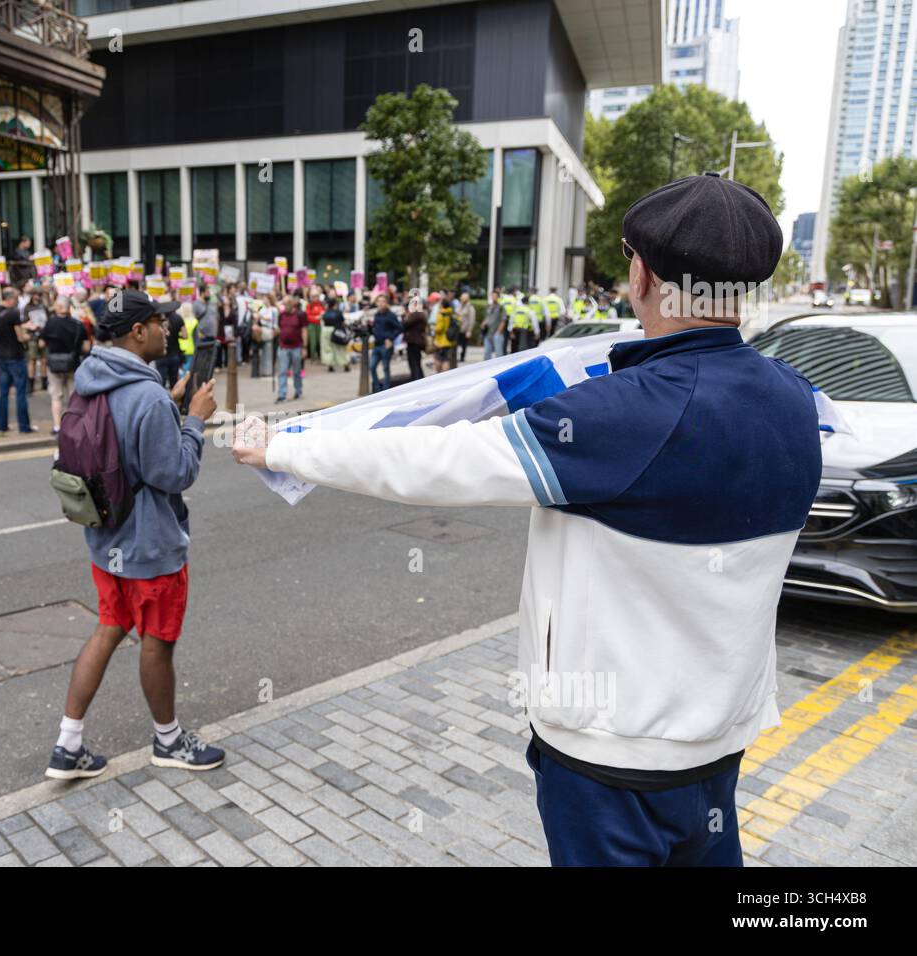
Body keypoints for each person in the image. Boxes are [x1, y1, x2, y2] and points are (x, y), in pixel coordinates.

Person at [234, 173, 818, 867]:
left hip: (610, 754)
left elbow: (437, 459)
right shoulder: (796, 400)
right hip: (722, 737)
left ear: (643, 276)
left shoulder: (626, 412)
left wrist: (285, 448)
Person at [46, 288, 224, 780]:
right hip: (150, 546)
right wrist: (194, 420)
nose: (169, 329)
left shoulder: (91, 382)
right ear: (138, 331)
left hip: (106, 541)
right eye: (161, 323)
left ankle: (68, 743)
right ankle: (168, 740)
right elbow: (175, 473)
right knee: (157, 642)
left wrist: (171, 407)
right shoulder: (147, 397)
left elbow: (123, 440)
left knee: (108, 629)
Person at [0, 286, 37, 434]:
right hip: (15, 357)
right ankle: (24, 426)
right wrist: (30, 334)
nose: (18, 302)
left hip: (2, 356)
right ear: (10, 299)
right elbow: (21, 337)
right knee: (21, 393)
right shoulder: (14, 313)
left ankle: (2, 425)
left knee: (3, 393)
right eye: (16, 299)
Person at [40, 295, 87, 435]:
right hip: (73, 364)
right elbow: (86, 347)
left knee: (56, 396)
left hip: (54, 365)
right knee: (73, 397)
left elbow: (41, 343)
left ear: (60, 307)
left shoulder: (50, 324)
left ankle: (57, 427)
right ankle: (74, 426)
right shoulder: (78, 324)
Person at [276, 295, 306, 402]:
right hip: (283, 347)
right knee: (282, 371)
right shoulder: (281, 315)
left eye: (287, 303)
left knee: (297, 371)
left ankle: (298, 391)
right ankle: (282, 395)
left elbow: (304, 331)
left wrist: (304, 347)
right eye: (284, 304)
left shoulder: (300, 314)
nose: (285, 306)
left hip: (296, 347)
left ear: (292, 303)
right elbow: (279, 327)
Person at [368, 293, 401, 392]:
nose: (381, 303)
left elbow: (399, 328)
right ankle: (377, 389)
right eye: (379, 301)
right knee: (372, 366)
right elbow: (376, 328)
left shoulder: (390, 315)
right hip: (377, 345)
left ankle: (386, 390)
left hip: (385, 345)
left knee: (385, 368)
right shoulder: (376, 315)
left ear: (386, 303)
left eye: (383, 301)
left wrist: (390, 338)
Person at [401, 296, 427, 380]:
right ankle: (420, 380)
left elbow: (405, 324)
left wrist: (403, 315)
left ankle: (418, 381)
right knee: (416, 363)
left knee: (414, 364)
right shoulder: (419, 313)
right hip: (415, 341)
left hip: (415, 342)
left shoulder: (417, 314)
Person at [319, 296, 348, 373]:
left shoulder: (325, 313)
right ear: (335, 304)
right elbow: (343, 322)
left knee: (328, 348)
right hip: (336, 330)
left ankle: (330, 365)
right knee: (340, 348)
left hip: (326, 331)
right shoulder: (338, 312)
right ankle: (345, 364)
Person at [431, 294, 455, 373]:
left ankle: (439, 375)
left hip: (440, 341)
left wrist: (434, 328)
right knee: (446, 359)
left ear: (442, 305)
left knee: (438, 359)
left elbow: (439, 328)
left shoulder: (441, 314)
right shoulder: (451, 313)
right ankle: (446, 375)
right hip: (449, 340)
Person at [483, 288, 507, 360]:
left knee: (498, 354)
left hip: (497, 334)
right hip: (488, 333)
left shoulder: (501, 308)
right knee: (487, 353)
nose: (494, 297)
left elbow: (503, 320)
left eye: (495, 296)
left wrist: (498, 332)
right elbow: (486, 317)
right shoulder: (488, 306)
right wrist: (483, 324)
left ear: (498, 297)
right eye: (492, 296)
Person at [457, 291, 476, 363]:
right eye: (462, 297)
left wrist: (469, 331)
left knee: (464, 345)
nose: (462, 299)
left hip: (465, 329)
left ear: (467, 299)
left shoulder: (470, 308)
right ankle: (457, 357)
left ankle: (462, 357)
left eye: (464, 298)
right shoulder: (459, 306)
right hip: (458, 329)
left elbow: (472, 320)